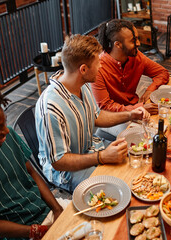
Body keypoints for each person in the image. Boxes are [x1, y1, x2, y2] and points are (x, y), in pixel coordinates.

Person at [35, 34, 150, 192]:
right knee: (121, 186)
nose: (101, 67)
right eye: (98, 63)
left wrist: (130, 114)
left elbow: (97, 116)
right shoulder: (50, 108)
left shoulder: (81, 84)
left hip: (91, 149)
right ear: (83, 69)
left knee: (139, 156)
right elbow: (59, 161)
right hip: (66, 172)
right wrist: (101, 157)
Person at [0, 86, 67, 240]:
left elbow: (32, 173)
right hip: (16, 233)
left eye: (4, 123)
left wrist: (57, 210)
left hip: (43, 211)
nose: (6, 131)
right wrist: (35, 231)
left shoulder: (9, 137)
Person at [93, 19, 169, 114]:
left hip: (133, 106)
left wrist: (150, 90)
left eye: (137, 38)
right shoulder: (98, 68)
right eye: (133, 40)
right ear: (118, 45)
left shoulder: (136, 56)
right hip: (111, 115)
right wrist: (139, 108)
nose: (138, 43)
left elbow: (162, 73)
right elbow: (105, 106)